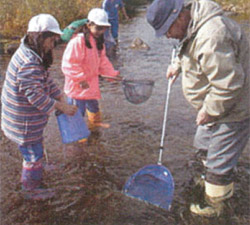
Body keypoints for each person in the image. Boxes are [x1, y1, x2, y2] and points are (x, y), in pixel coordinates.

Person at [146, 0, 250, 217]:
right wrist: (179, 65)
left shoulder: (212, 36)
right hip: (215, 105)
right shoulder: (193, 24)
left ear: (179, 16)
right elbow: (191, 50)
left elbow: (228, 84)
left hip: (234, 108)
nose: (167, 36)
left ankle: (216, 206)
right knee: (202, 147)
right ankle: (210, 177)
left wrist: (209, 111)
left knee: (218, 165)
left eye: (167, 30)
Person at [1, 14, 78, 200]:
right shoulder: (28, 63)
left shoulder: (32, 53)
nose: (54, 44)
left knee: (36, 145)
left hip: (26, 120)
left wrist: (59, 94)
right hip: (22, 122)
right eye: (52, 39)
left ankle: (38, 168)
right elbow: (36, 97)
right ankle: (30, 187)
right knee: (32, 155)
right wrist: (61, 106)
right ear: (41, 37)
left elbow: (46, 79)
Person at [61, 8, 121, 135]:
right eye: (99, 28)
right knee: (78, 111)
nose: (101, 31)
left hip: (90, 84)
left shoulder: (98, 42)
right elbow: (68, 64)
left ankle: (95, 125)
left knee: (93, 106)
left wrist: (112, 75)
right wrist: (80, 79)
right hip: (77, 86)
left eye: (104, 28)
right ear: (89, 25)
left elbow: (102, 61)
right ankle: (77, 133)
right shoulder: (78, 41)